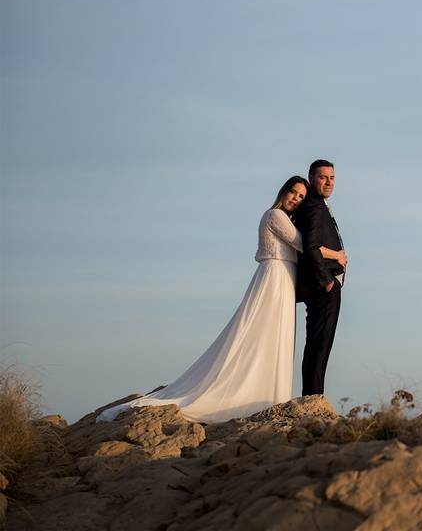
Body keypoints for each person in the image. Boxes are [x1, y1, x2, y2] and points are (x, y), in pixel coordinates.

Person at [97, 175, 345, 423]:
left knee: (273, 336)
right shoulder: (275, 216)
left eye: (301, 197)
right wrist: (337, 255)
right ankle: (248, 392)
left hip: (283, 280)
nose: (296, 199)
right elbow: (305, 245)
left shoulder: (284, 218)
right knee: (262, 334)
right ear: (283, 192)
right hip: (274, 278)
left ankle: (268, 393)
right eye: (293, 192)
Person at [293, 159, 347, 396]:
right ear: (311, 178)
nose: (328, 182)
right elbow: (311, 246)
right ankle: (313, 397)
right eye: (323, 177)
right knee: (319, 345)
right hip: (323, 286)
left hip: (322, 285)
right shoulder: (314, 205)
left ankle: (312, 395)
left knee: (317, 345)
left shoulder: (318, 204)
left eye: (332, 177)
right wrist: (327, 282)